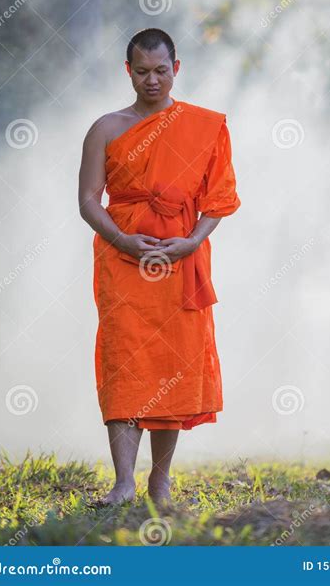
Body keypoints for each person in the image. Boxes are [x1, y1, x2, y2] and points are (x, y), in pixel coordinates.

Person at [78, 28, 241, 506]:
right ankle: (124, 481)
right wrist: (122, 238)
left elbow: (219, 198)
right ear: (128, 71)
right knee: (125, 359)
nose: (153, 81)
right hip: (122, 258)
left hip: (180, 258)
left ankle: (160, 479)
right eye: (143, 72)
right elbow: (89, 200)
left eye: (161, 71)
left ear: (177, 69)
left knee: (172, 364)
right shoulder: (106, 128)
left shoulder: (205, 125)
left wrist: (191, 241)